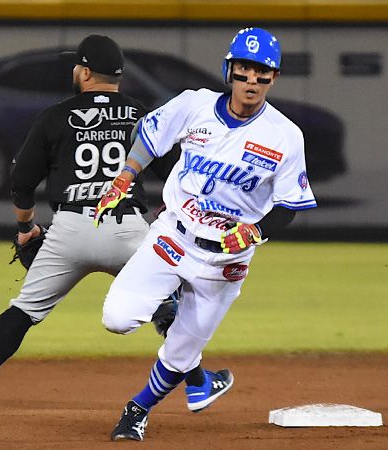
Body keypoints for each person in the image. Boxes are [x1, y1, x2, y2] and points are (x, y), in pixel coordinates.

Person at [0, 34, 213, 417]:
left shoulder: (55, 115)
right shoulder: (141, 113)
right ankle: (198, 383)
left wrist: (25, 229)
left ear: (86, 72)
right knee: (167, 305)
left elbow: (22, 182)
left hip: (70, 229)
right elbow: (175, 174)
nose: (75, 70)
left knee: (21, 313)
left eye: (78, 65)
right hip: (127, 229)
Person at [94, 27, 317, 441]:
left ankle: (137, 409)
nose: (252, 79)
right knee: (116, 319)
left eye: (262, 71)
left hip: (224, 261)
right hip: (172, 236)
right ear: (229, 70)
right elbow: (149, 135)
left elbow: (291, 203)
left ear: (274, 77)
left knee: (180, 353)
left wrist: (254, 232)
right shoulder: (194, 105)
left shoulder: (285, 136)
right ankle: (180, 318)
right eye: (244, 69)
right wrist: (127, 175)